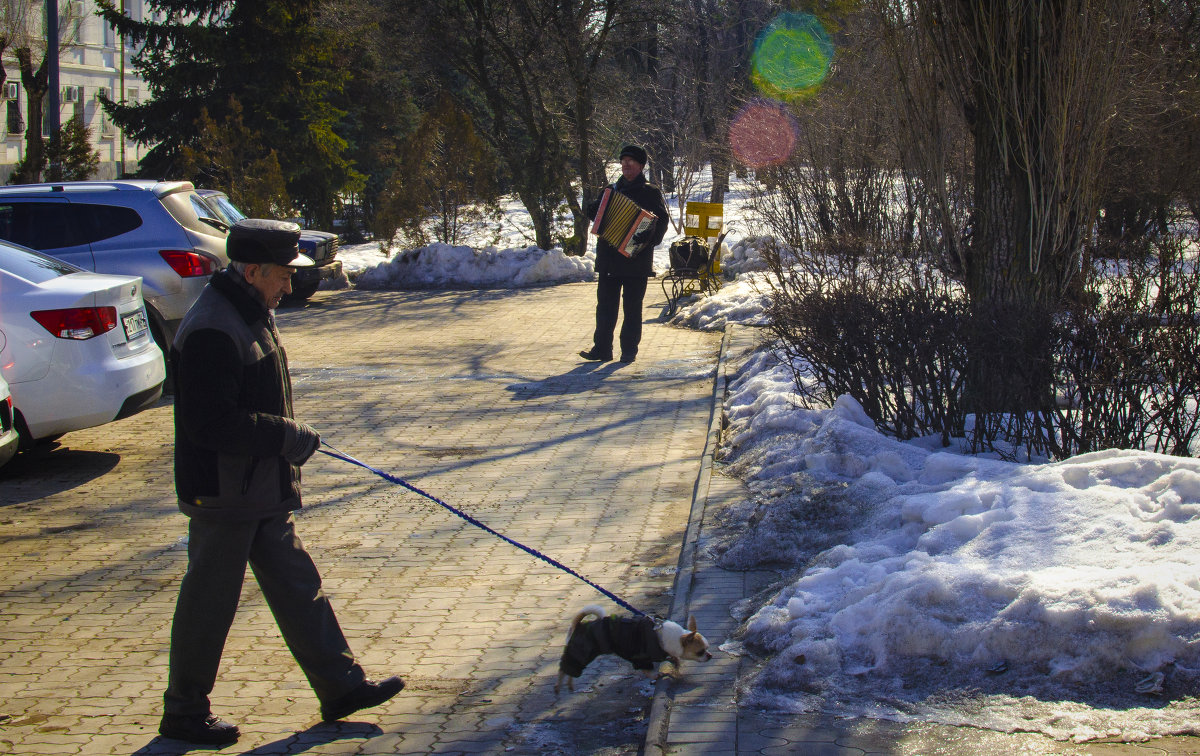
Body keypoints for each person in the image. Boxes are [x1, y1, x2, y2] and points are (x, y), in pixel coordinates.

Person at [160, 219, 403, 745]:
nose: (288, 286)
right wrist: (285, 435)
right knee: (209, 602)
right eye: (282, 276)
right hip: (223, 493)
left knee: (298, 587)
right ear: (252, 271)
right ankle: (183, 712)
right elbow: (210, 424)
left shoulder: (248, 309)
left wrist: (282, 442)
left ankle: (341, 687)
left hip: (258, 488)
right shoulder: (211, 328)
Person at [579, 144, 669, 363]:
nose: (626, 165)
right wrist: (593, 210)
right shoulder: (611, 190)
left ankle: (628, 351)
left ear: (640, 165)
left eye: (631, 161)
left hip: (635, 260)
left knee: (632, 308)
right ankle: (602, 349)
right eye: (623, 161)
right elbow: (596, 213)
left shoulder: (650, 192)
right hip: (609, 260)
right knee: (605, 308)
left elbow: (661, 223)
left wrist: (643, 241)